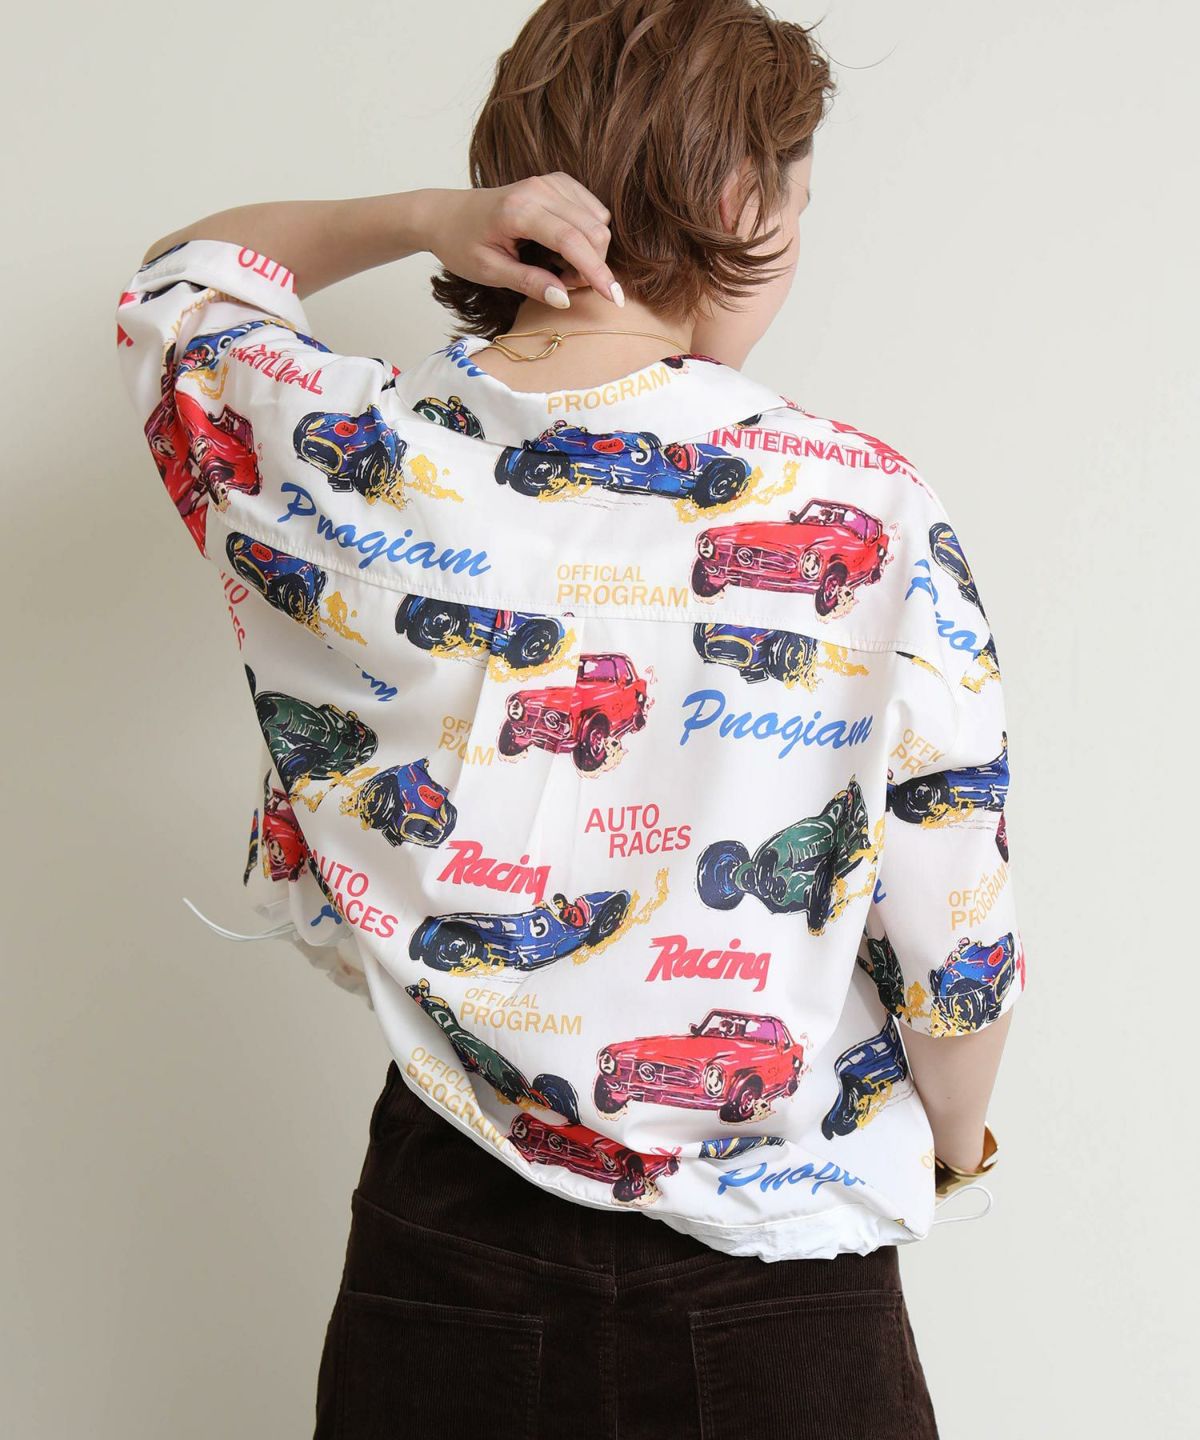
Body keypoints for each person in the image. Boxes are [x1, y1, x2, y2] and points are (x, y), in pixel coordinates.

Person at [113, 2, 1025, 1434]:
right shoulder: (865, 505)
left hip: (450, 1222)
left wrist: (425, 218)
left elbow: (187, 276)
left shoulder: (350, 454)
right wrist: (958, 1143)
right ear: (744, 200)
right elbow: (952, 928)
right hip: (779, 1245)